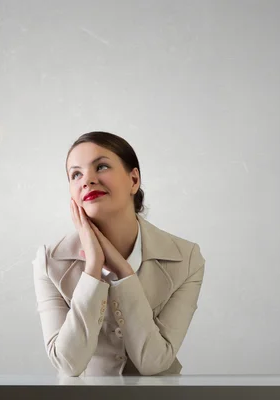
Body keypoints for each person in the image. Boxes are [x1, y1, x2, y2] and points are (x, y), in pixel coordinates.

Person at [32, 131, 205, 377]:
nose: (87, 180)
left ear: (134, 180)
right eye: (76, 174)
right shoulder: (50, 262)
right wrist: (92, 266)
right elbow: (68, 364)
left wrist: (124, 272)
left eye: (101, 166)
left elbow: (153, 362)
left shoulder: (186, 259)